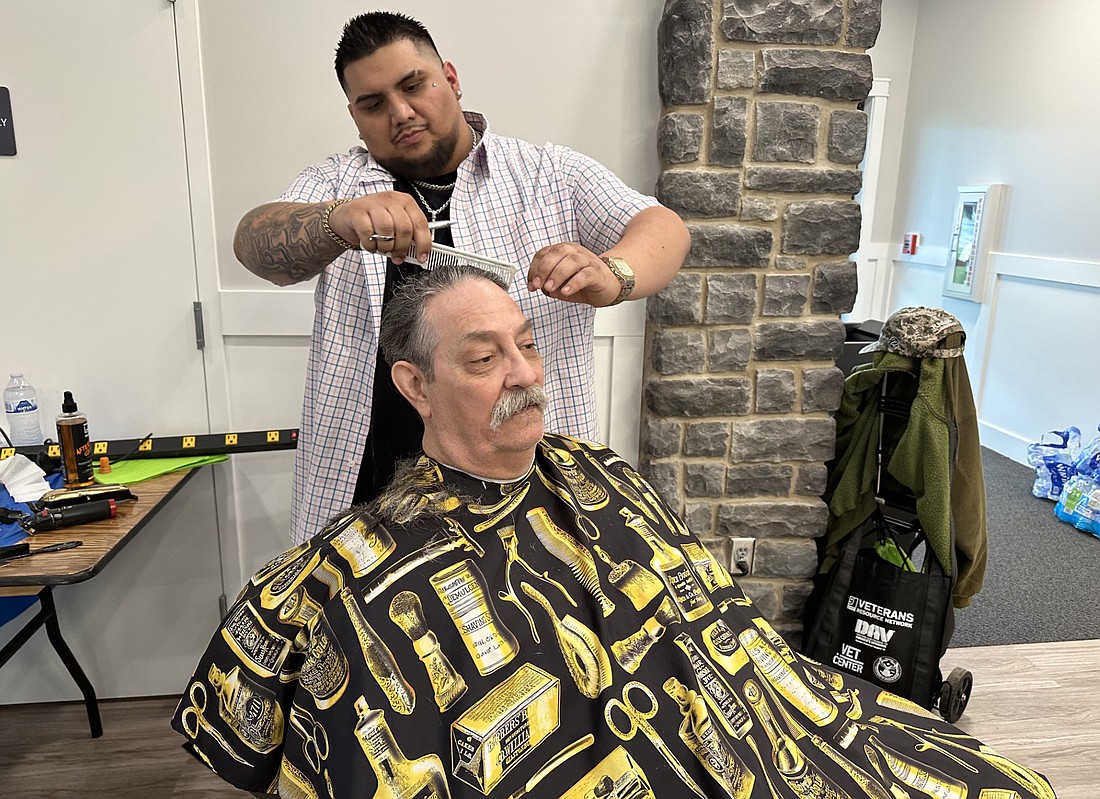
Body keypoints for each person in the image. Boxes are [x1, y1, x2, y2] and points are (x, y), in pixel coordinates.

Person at [173, 266, 1055, 799]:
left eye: (527, 345)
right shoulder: (352, 565)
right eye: (483, 359)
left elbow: (718, 631)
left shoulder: (600, 475)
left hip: (749, 740)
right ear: (414, 385)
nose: (522, 374)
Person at [233, 11, 691, 544]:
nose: (401, 113)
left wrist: (613, 273)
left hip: (529, 482)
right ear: (355, 117)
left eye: (413, 86)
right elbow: (254, 242)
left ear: (449, 78)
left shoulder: (548, 175)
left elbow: (665, 228)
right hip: (366, 483)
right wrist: (337, 222)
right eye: (374, 104)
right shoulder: (339, 183)